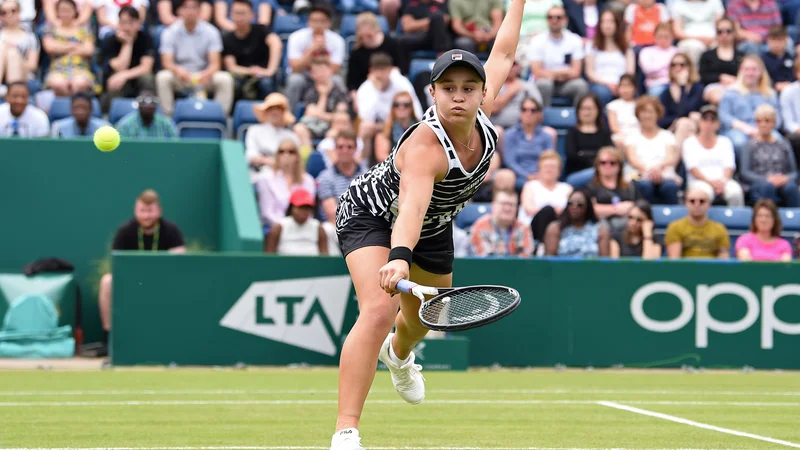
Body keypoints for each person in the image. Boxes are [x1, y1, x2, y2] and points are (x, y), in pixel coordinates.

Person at [328, 0, 525, 447]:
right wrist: (398, 259)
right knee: (379, 309)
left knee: (420, 320)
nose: (459, 95)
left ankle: (399, 356)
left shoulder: (484, 116)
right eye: (448, 87)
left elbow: (505, 52)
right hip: (372, 216)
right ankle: (346, 429)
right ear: (432, 94)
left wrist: (518, 3)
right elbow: (411, 208)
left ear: (481, 93)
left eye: (469, 88)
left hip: (434, 228)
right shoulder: (425, 146)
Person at [98, 189, 185, 356]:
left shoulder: (171, 231)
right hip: (132, 284)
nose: (146, 216)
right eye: (142, 211)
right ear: (136, 210)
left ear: (159, 211)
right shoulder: (125, 231)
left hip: (165, 284)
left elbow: (180, 262)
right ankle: (108, 339)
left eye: (150, 211)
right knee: (107, 281)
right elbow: (117, 264)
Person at [665, 180, 730, 258]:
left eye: (702, 201)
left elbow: (724, 261)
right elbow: (674, 261)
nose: (697, 204)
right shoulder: (675, 227)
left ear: (709, 204)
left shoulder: (720, 228)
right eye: (692, 201)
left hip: (712, 269)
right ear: (686, 203)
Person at [543, 188, 611, 257]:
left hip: (591, 267)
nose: (574, 207)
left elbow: (604, 261)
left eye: (580, 204)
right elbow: (549, 260)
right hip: (562, 267)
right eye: (570, 203)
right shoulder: (556, 228)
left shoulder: (600, 229)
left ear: (587, 207)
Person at [264, 188, 328, 256]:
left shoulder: (319, 228)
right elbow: (269, 256)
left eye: (307, 208)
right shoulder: (279, 227)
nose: (304, 211)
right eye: (300, 207)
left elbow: (325, 257)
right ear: (291, 208)